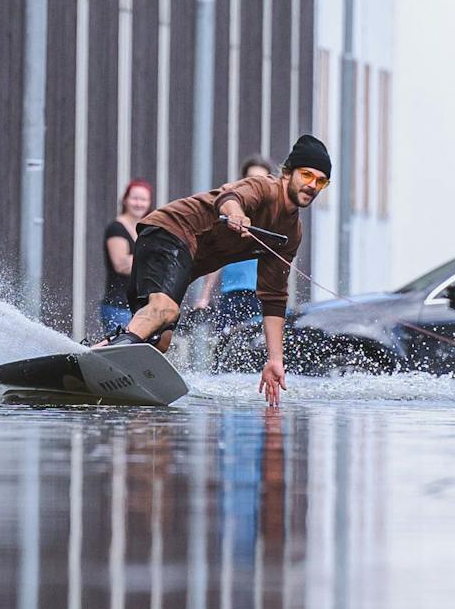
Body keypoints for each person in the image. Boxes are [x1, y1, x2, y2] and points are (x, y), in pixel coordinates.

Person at [104, 134, 332, 406]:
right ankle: (105, 363)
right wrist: (235, 212)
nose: (312, 185)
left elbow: (273, 298)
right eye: (306, 175)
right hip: (170, 231)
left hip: (181, 261)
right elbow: (231, 194)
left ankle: (97, 355)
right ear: (287, 172)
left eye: (321, 181)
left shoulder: (291, 232)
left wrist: (275, 360)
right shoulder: (266, 187)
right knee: (164, 309)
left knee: (159, 340)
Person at [197, 155, 274, 338]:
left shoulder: (271, 215)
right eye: (251, 178)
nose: (256, 183)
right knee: (224, 342)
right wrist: (205, 296)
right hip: (231, 293)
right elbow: (216, 256)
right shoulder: (232, 212)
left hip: (260, 294)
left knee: (256, 345)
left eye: (261, 179)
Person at [101, 178, 153, 336]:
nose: (139, 203)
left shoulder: (147, 229)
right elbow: (121, 265)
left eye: (143, 199)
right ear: (125, 200)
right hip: (118, 306)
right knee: (120, 353)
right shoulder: (116, 228)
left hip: (142, 308)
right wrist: (153, 260)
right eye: (135, 198)